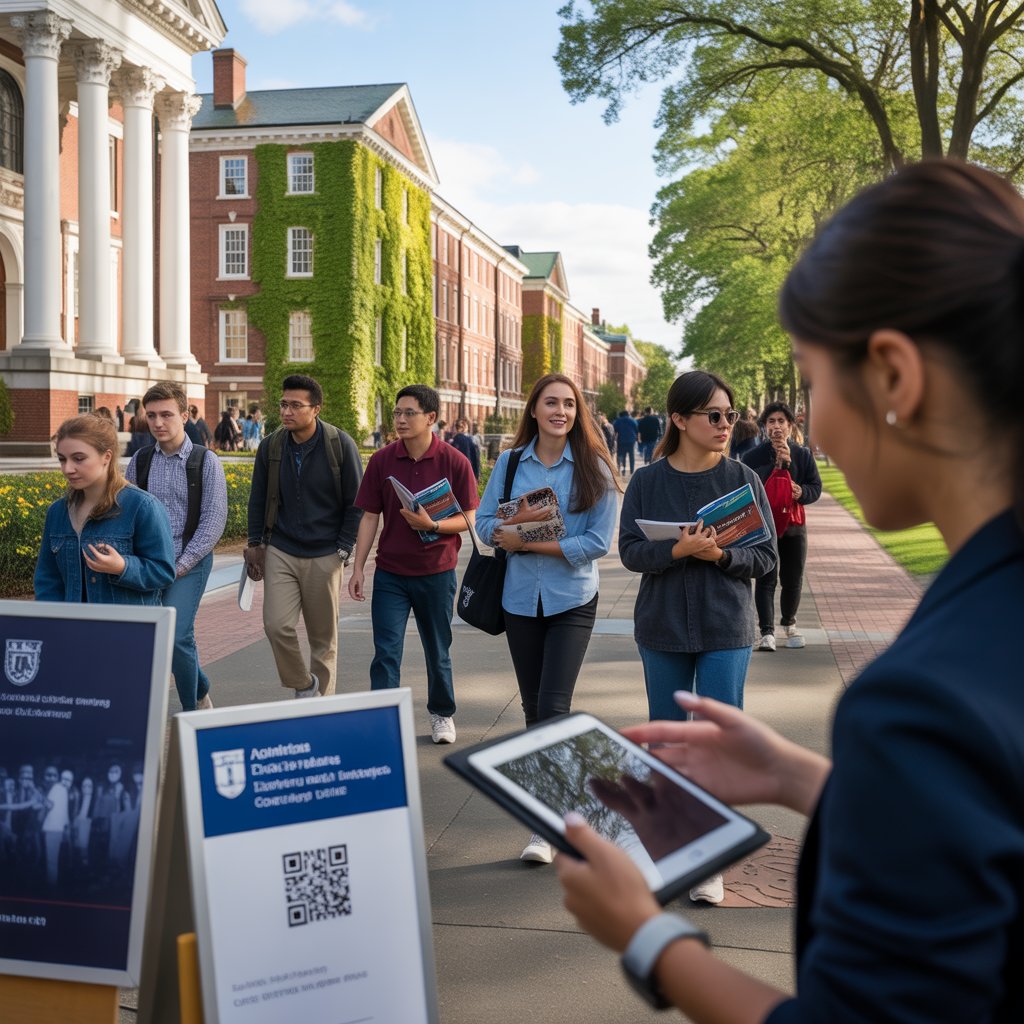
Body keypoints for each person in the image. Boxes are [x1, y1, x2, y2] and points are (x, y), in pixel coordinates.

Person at [556, 161, 1024, 1022]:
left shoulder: (923, 701)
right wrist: (800, 776)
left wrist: (644, 936)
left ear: (892, 378)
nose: (797, 424)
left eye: (808, 382)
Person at [618, 369, 776, 904]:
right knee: (666, 740)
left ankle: (710, 856)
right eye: (714, 415)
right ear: (680, 420)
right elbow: (630, 552)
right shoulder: (646, 481)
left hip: (726, 625)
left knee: (715, 738)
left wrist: (721, 555)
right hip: (661, 625)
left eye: (730, 415)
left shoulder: (743, 479)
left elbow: (766, 557)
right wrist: (674, 552)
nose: (726, 424)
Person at [476, 373, 619, 864]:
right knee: (534, 711)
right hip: (519, 599)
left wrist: (533, 540)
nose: (561, 411)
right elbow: (482, 520)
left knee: (555, 708)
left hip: (571, 600)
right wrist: (504, 530)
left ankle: (548, 824)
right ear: (533, 409)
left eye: (570, 405)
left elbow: (599, 541)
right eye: (551, 403)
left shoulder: (594, 466)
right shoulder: (512, 462)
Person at [348, 384, 478, 744]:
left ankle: (441, 714)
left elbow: (470, 518)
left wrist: (433, 525)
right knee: (386, 652)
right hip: (390, 573)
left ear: (431, 418)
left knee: (438, 650)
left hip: (437, 572)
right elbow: (370, 517)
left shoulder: (454, 461)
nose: (400, 420)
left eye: (409, 413)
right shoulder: (382, 460)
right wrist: (358, 568)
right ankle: (384, 720)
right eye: (397, 413)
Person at [245, 374, 363, 697]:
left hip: (326, 553)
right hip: (281, 549)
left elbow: (357, 502)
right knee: (276, 625)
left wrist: (343, 548)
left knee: (323, 640)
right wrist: (255, 542)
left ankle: (320, 709)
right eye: (284, 404)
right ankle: (303, 683)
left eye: (296, 405)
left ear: (316, 409)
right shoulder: (271, 446)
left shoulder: (340, 445)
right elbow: (258, 497)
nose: (287, 411)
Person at [126, 382, 228, 710]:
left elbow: (213, 523)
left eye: (167, 415)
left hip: (191, 561)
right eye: (152, 415)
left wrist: (180, 566)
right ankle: (200, 688)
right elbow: (127, 514)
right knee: (157, 635)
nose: (158, 423)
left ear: (184, 416)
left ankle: (193, 711)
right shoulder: (140, 461)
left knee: (178, 634)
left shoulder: (204, 461)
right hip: (149, 564)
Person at [34, 416, 175, 605]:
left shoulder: (142, 507)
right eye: (62, 459)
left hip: (126, 630)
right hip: (72, 630)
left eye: (78, 458)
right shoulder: (58, 512)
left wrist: (123, 567)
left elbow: (163, 572)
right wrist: (51, 623)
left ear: (106, 457)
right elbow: (48, 580)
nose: (68, 468)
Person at [742, 401, 822, 651]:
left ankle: (789, 623)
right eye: (771, 422)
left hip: (794, 526)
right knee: (766, 577)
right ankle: (767, 632)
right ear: (764, 427)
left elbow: (815, 487)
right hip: (765, 527)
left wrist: (801, 491)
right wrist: (777, 466)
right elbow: (748, 489)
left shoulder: (803, 455)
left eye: (781, 421)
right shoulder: (752, 456)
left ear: (789, 425)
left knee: (792, 578)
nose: (776, 426)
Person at [612, 409, 639, 476]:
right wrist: (637, 438)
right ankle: (632, 471)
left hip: (621, 441)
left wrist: (614, 440)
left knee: (622, 455)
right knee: (631, 456)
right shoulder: (633, 420)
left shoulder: (618, 421)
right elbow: (637, 430)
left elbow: (614, 431)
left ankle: (622, 470)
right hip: (631, 441)